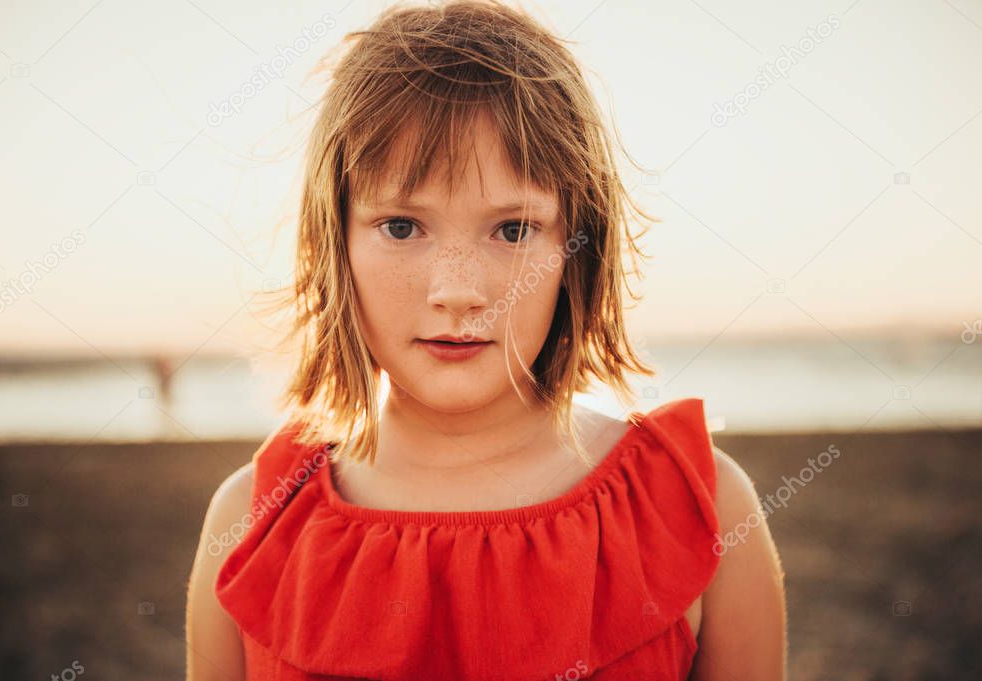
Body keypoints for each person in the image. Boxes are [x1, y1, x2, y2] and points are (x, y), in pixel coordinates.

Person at [186, 1, 786, 679]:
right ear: (334, 244)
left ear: (575, 247)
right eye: (402, 226)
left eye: (511, 230)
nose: (458, 290)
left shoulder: (701, 508)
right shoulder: (250, 521)